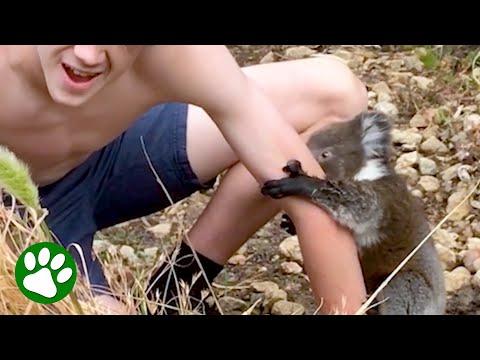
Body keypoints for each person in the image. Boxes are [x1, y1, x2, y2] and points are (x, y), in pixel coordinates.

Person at [0, 45, 368, 314]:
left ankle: (180, 286)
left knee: (336, 94)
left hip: (112, 153)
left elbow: (313, 201)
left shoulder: (175, 54)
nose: (88, 55)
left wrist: (345, 309)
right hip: (15, 216)